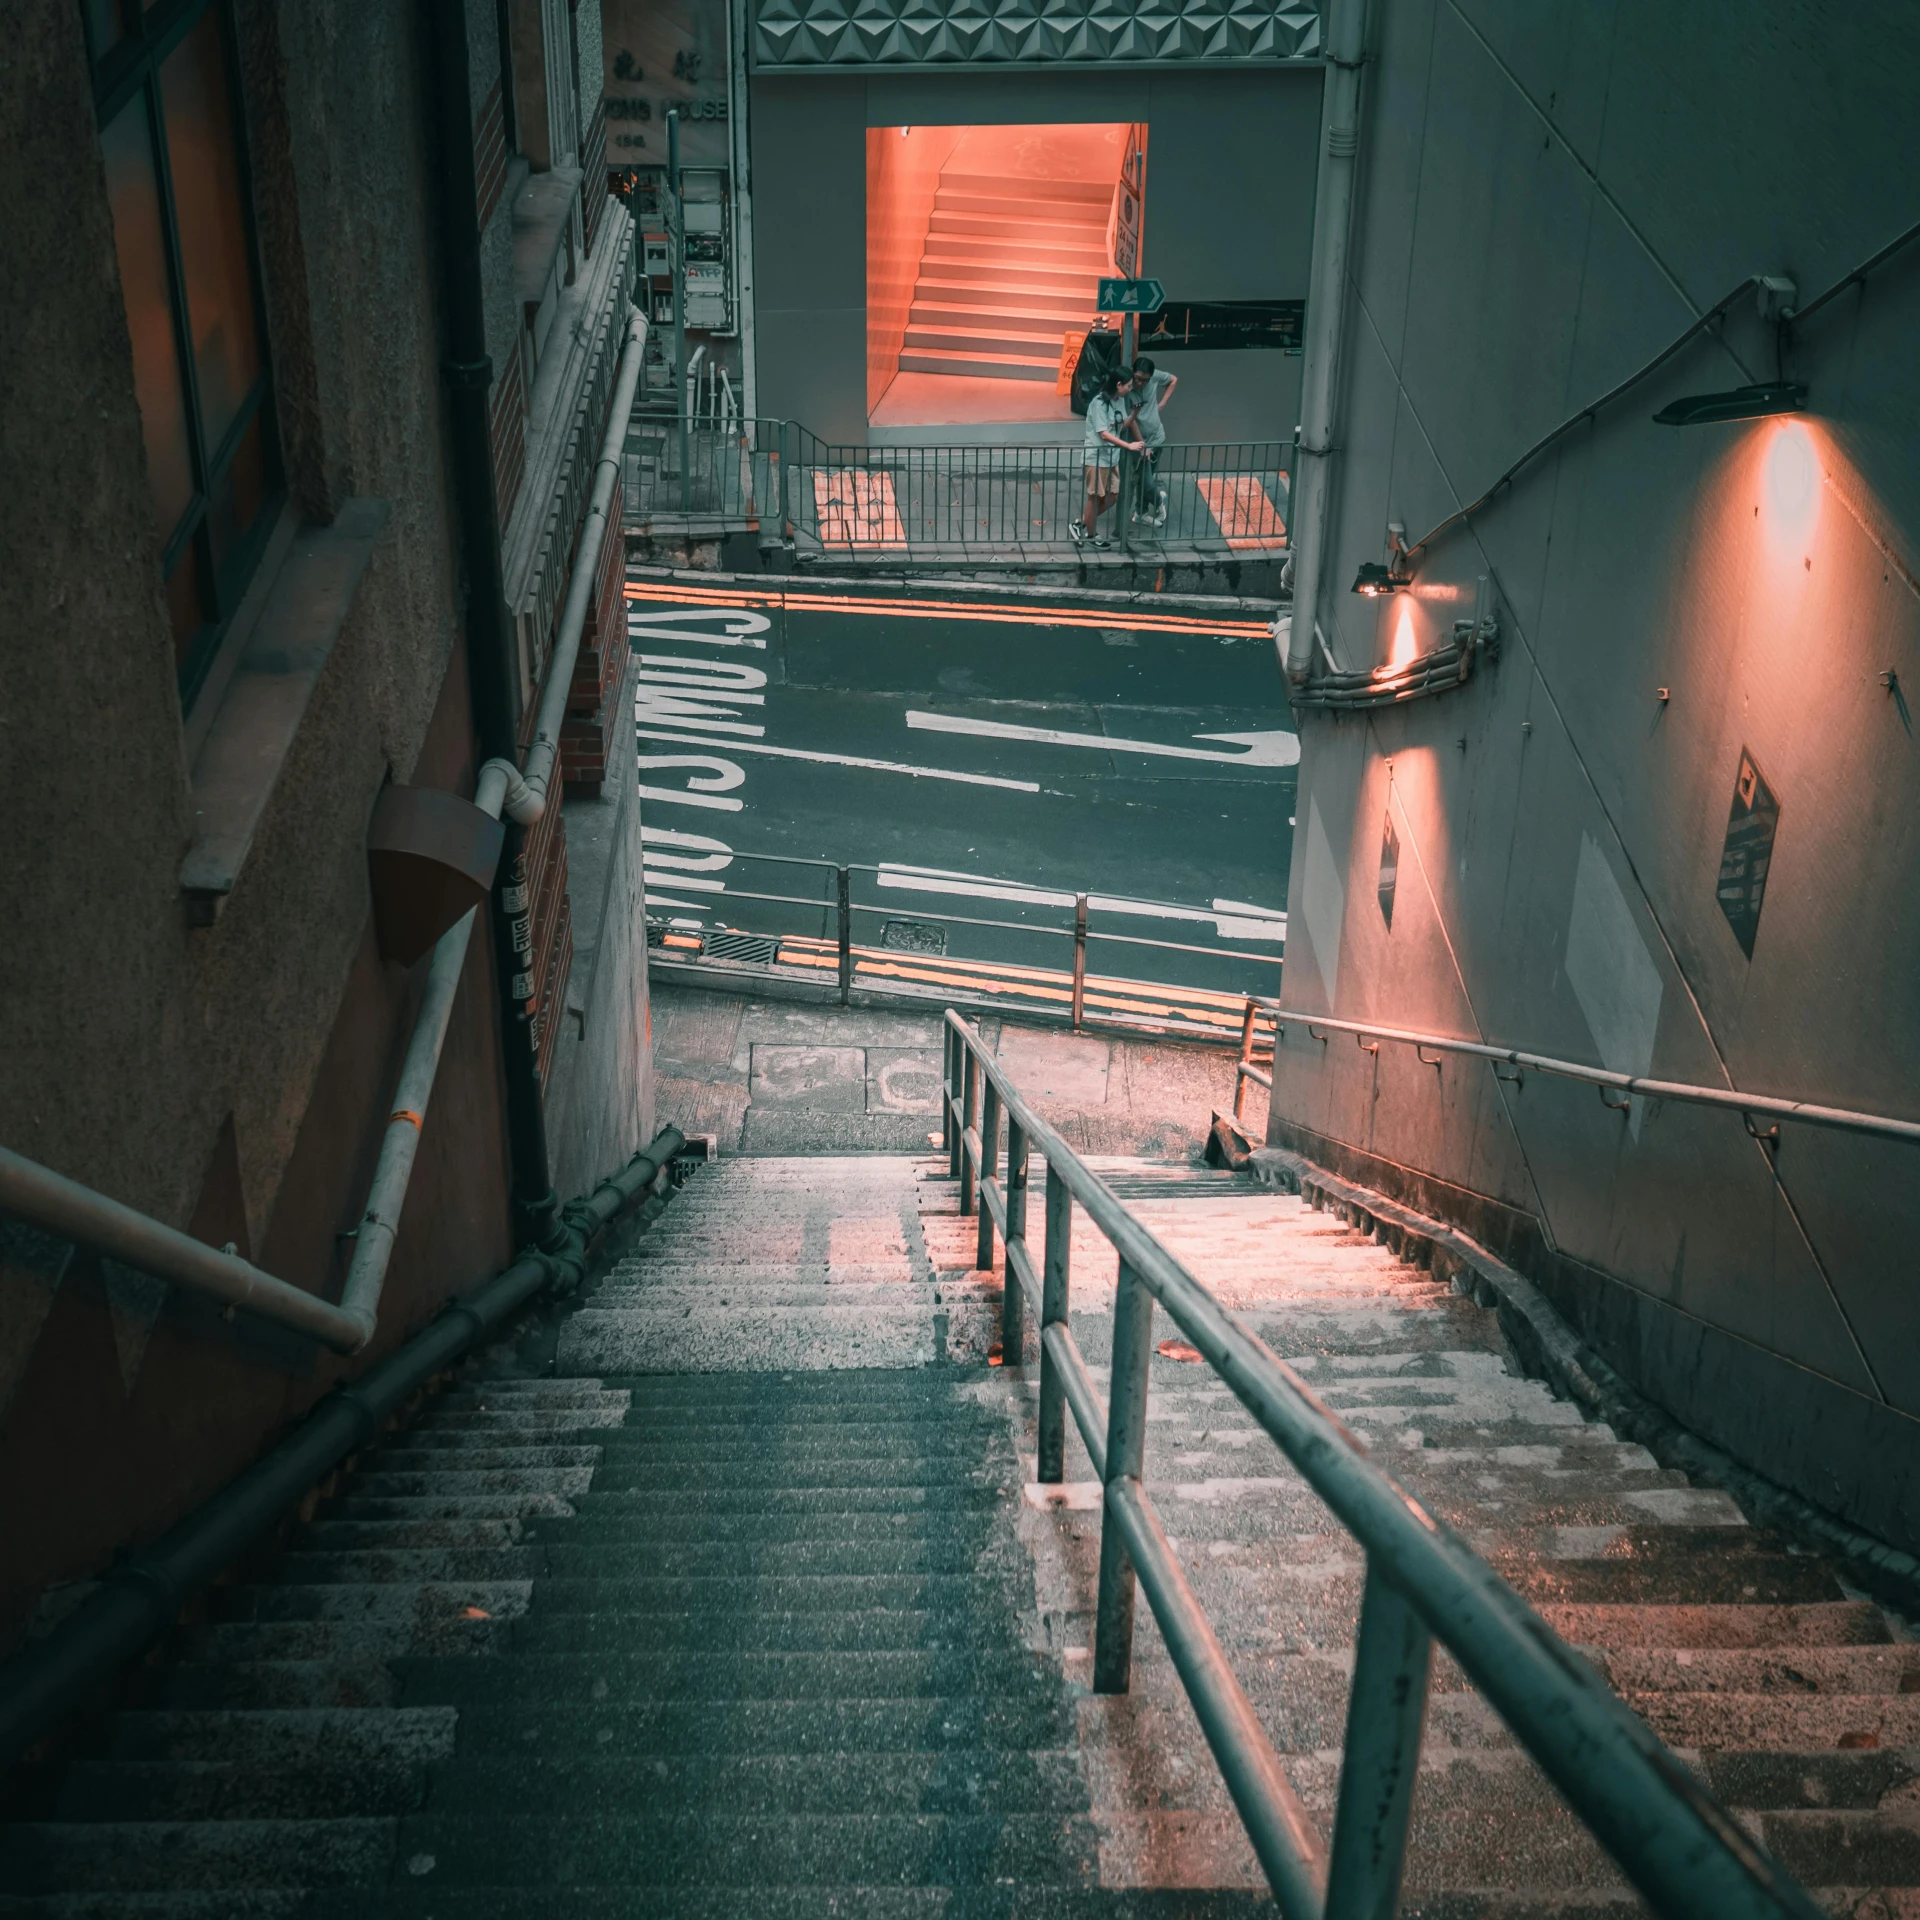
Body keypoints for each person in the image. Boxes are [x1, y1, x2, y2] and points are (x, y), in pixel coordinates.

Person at [1071, 369, 1145, 548]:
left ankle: (1080, 524)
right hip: (1096, 457)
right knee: (1095, 496)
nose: (1130, 388)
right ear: (1118, 385)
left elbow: (1122, 426)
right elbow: (1103, 433)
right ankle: (1091, 535)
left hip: (1111, 458)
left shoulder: (1119, 402)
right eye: (1128, 385)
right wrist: (1128, 446)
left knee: (1112, 496)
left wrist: (1134, 413)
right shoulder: (1099, 404)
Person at [1123, 357, 1178, 525]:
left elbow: (1173, 380)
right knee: (1143, 481)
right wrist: (1142, 445)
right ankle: (1158, 499)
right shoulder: (1127, 388)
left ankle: (1142, 512)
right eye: (1138, 378)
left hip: (1156, 438)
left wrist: (1162, 403)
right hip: (1139, 442)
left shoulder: (1154, 377)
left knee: (1146, 479)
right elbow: (1130, 420)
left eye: (1145, 380)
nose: (1140, 383)